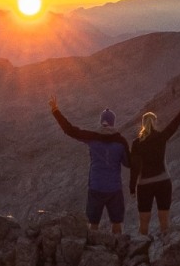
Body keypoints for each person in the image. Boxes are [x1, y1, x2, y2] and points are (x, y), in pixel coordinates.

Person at [49, 95, 130, 233]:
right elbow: (128, 163)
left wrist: (55, 110)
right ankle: (118, 247)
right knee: (117, 222)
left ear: (101, 122)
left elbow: (69, 130)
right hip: (114, 189)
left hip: (96, 187)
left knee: (93, 223)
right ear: (113, 122)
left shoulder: (92, 137)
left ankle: (93, 250)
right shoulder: (121, 141)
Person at [129, 90, 180, 236]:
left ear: (143, 125)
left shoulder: (136, 144)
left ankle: (143, 251)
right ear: (155, 122)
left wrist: (132, 188)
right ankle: (165, 251)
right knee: (164, 223)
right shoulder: (161, 137)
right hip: (163, 182)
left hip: (144, 185)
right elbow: (176, 121)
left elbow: (135, 167)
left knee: (143, 225)